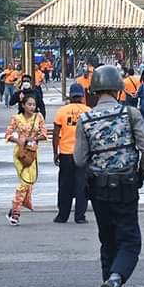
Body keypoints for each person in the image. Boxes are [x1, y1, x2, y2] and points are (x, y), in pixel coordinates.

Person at [73, 65, 144, 287]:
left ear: (94, 90)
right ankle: (116, 281)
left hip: (98, 188)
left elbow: (78, 159)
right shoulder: (130, 114)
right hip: (127, 184)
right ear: (119, 89)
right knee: (130, 240)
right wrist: (141, 169)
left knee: (107, 241)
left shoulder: (85, 119)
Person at [5, 94, 48, 226]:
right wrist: (18, 140)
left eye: (33, 105)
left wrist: (33, 139)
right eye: (29, 104)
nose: (32, 107)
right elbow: (8, 134)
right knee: (24, 182)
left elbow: (44, 134)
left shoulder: (38, 117)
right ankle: (15, 213)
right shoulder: (16, 118)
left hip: (33, 153)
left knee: (29, 183)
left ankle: (13, 209)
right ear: (23, 105)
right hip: (20, 153)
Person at [52, 83, 91, 223]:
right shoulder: (88, 111)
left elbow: (56, 134)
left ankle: (62, 215)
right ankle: (80, 216)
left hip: (66, 153)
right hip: (83, 154)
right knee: (82, 185)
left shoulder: (62, 111)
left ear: (70, 95)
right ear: (82, 96)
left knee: (64, 185)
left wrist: (55, 153)